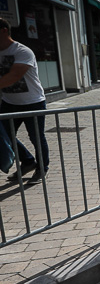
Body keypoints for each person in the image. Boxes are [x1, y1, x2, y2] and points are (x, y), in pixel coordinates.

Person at [0, 17, 50, 184]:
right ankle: (28, 161)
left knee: (36, 137)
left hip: (33, 102)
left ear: (4, 31)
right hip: (9, 102)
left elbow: (13, 77)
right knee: (4, 136)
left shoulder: (22, 51)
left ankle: (42, 168)